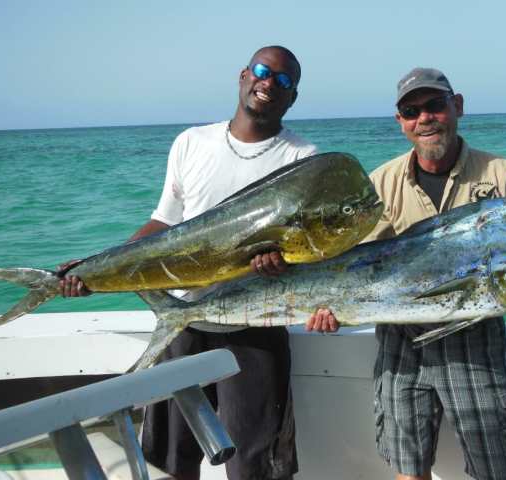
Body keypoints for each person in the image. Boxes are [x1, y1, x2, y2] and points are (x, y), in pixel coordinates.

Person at [60, 46, 315, 480]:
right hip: (184, 323)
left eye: (284, 80)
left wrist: (282, 261)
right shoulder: (191, 143)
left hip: (256, 329)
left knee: (254, 464)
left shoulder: (302, 158)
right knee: (168, 459)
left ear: (293, 97)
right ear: (242, 76)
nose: (269, 82)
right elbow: (164, 223)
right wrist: (99, 267)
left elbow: (304, 247)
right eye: (262, 71)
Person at [306, 68, 506, 480]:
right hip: (400, 341)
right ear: (401, 122)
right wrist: (330, 306)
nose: (424, 118)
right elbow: (358, 269)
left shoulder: (505, 176)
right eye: (411, 110)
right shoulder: (381, 182)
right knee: (408, 466)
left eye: (434, 105)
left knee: (494, 466)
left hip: (475, 340)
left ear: (457, 106)